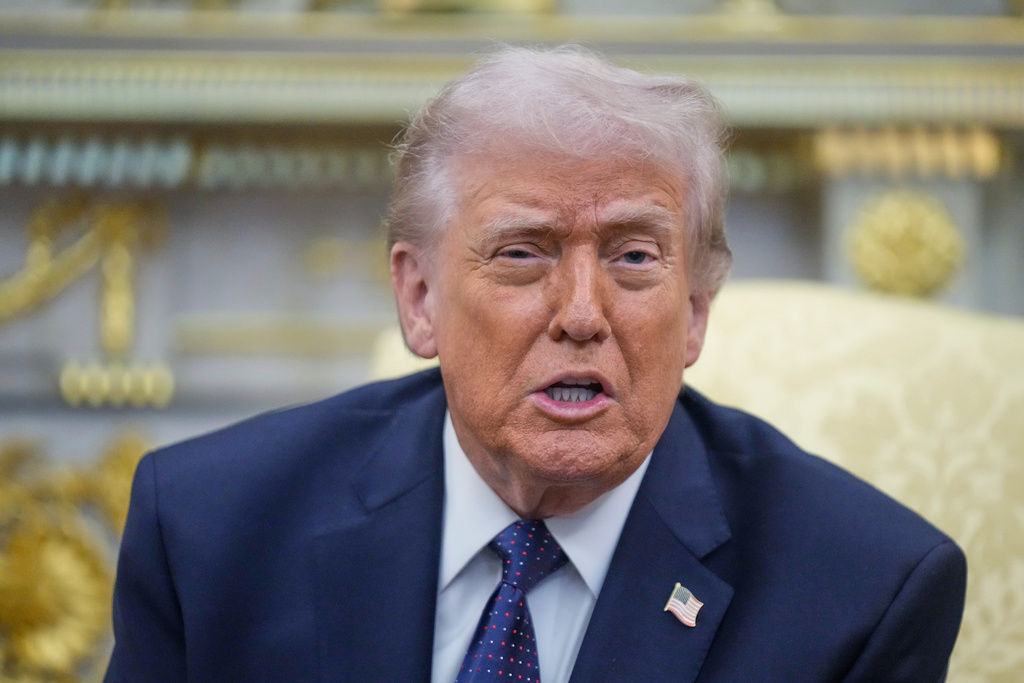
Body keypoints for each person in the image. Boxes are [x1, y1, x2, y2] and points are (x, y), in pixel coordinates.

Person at [105, 46, 966, 683]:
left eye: (634, 257)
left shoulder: (863, 592)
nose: (584, 314)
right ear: (419, 299)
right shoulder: (210, 531)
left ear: (696, 309)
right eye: (523, 252)